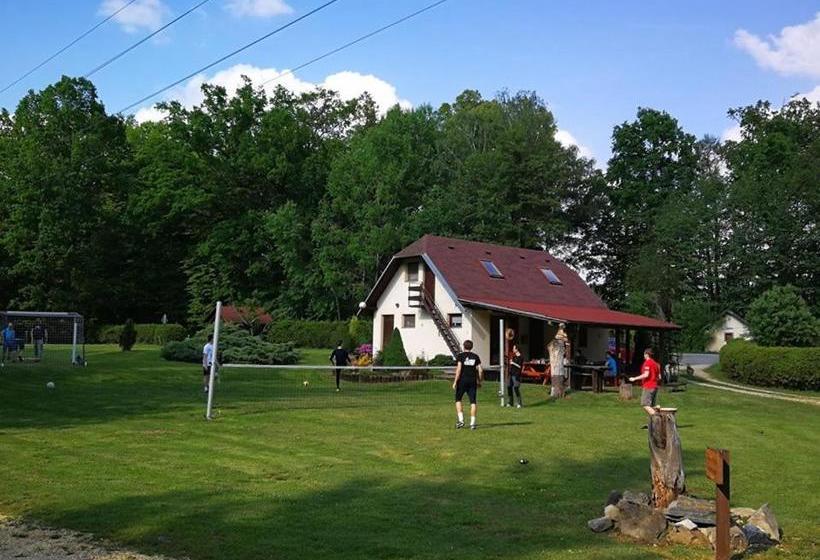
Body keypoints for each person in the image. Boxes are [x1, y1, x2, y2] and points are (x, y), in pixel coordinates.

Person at [452, 339, 483, 430]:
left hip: (462, 380)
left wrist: (455, 381)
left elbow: (459, 369)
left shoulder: (460, 356)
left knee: (458, 400)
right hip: (472, 381)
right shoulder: (476, 356)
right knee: (473, 402)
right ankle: (472, 424)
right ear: (471, 347)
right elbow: (480, 370)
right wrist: (479, 381)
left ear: (464, 346)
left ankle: (461, 421)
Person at [629, 348, 661, 416]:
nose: (644, 355)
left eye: (644, 354)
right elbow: (659, 376)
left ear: (647, 354)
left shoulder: (648, 363)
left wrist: (634, 378)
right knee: (651, 406)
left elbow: (646, 374)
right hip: (655, 386)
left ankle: (658, 417)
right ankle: (655, 420)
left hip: (648, 386)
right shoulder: (656, 364)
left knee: (645, 404)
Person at [547, 323, 569, 398]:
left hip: (558, 365)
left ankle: (557, 391)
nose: (562, 328)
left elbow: (565, 339)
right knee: (556, 372)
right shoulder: (557, 339)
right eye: (561, 327)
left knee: (558, 372)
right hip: (555, 364)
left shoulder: (563, 335)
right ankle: (554, 391)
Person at [506, 344, 524, 408]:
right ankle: (510, 403)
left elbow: (519, 366)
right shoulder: (513, 356)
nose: (513, 349)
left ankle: (519, 403)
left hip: (516, 375)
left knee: (516, 388)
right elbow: (511, 365)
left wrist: (513, 363)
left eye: (514, 348)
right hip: (511, 374)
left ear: (517, 349)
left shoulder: (521, 357)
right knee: (509, 387)